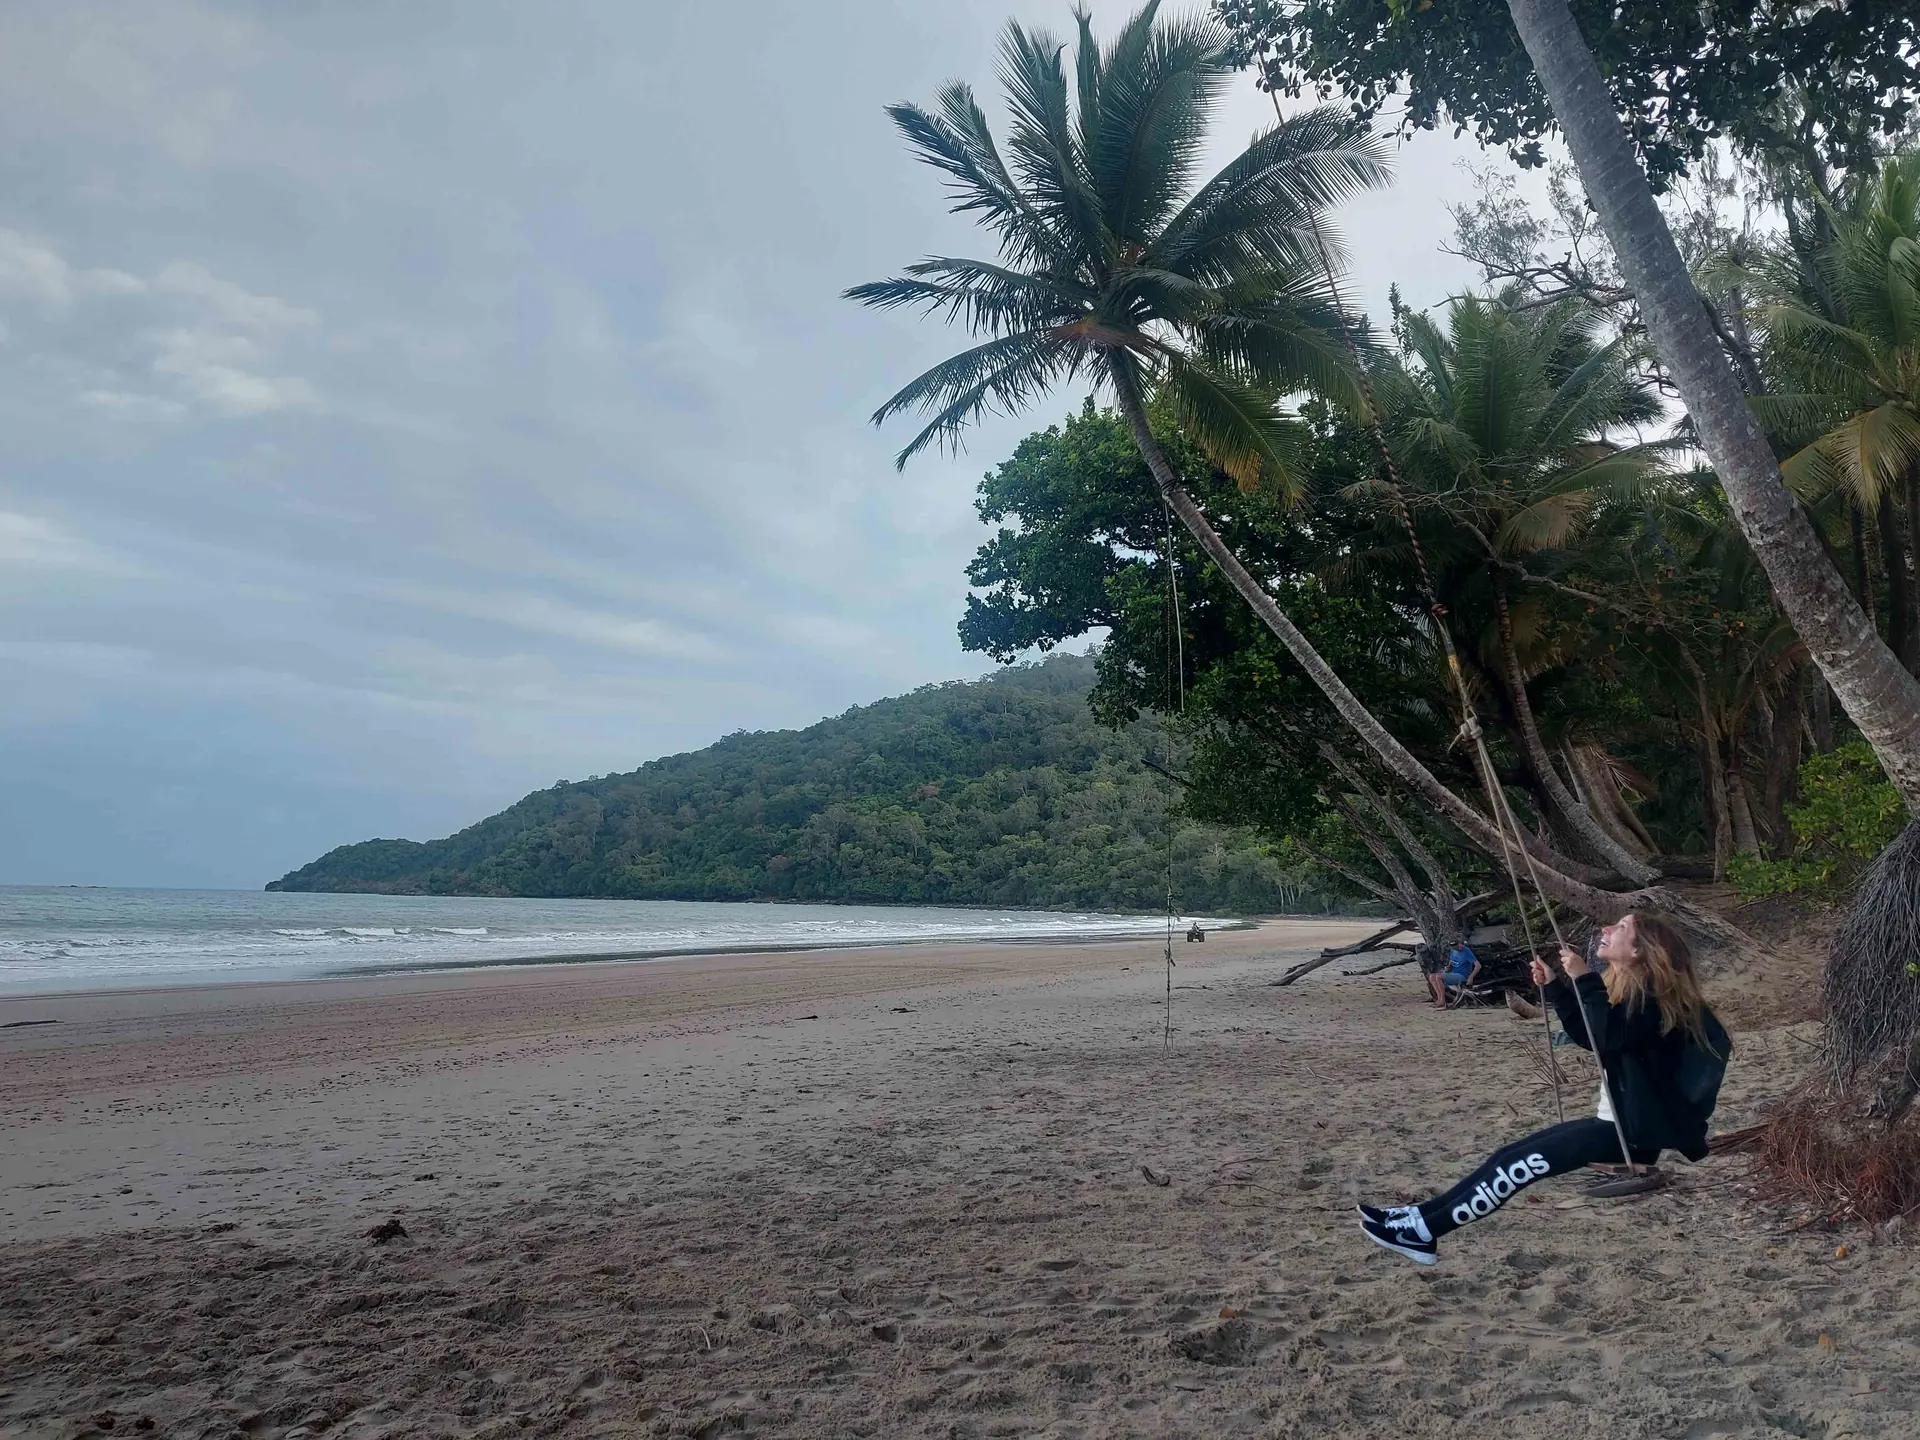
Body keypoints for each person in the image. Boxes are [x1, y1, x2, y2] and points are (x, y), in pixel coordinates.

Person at [1357, 912, 1729, 1264]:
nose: (1606, 929)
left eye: (1620, 927)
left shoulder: (1652, 1001)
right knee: (1507, 1156)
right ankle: (1417, 1217)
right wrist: (1556, 988)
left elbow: (1608, 1036)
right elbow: (1590, 1036)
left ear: (1638, 951)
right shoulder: (1637, 997)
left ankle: (1425, 1233)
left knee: (1516, 1168)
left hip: (1632, 1134)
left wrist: (1585, 979)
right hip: (1617, 1124)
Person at [1426, 940, 1481, 1007]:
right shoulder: (1453, 951)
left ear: (1460, 944)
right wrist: (1448, 967)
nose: (1456, 949)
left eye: (1457, 947)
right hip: (1453, 973)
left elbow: (1478, 966)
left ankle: (1442, 1000)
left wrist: (1471, 977)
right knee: (1431, 976)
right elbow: (1452, 960)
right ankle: (1439, 999)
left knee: (1438, 977)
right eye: (1453, 948)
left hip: (1462, 975)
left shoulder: (1466, 952)